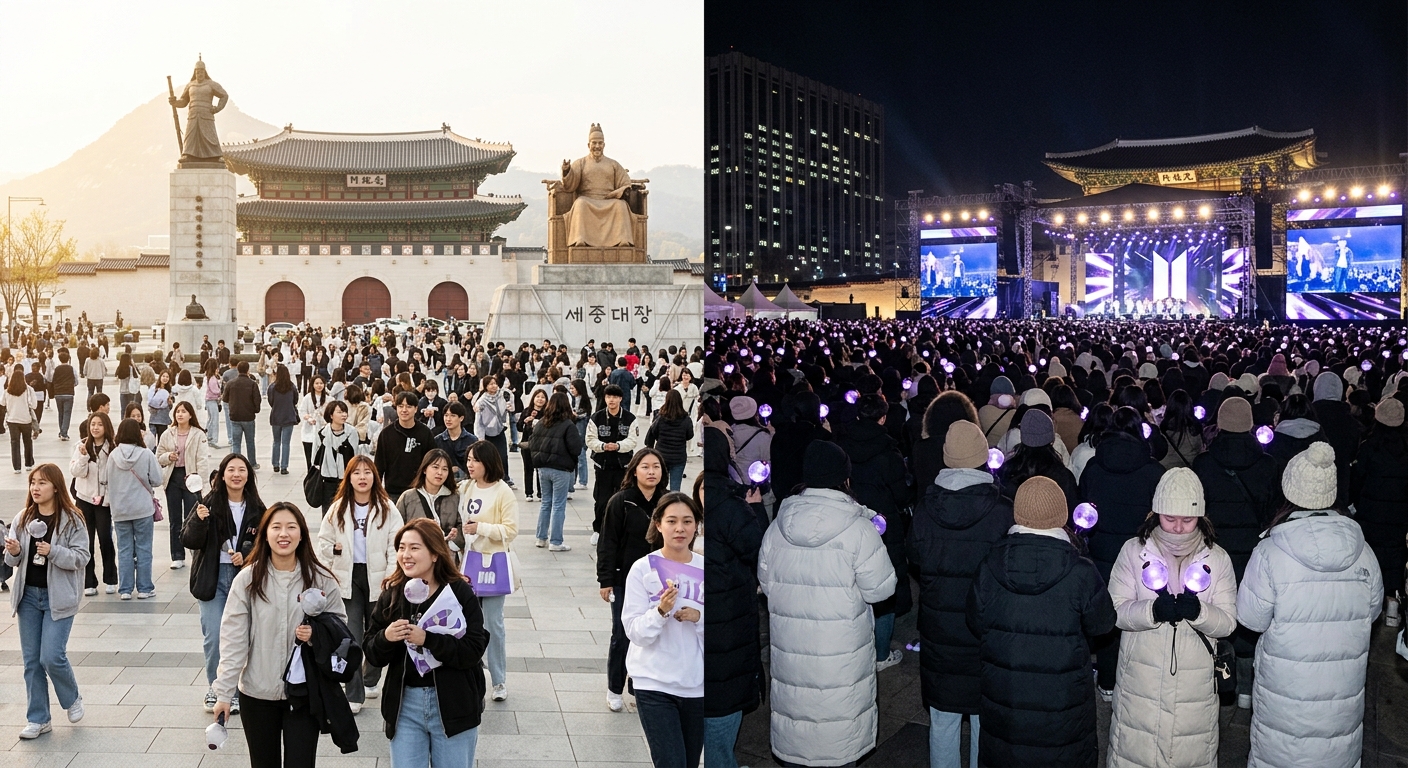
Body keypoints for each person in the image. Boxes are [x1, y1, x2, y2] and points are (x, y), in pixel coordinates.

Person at [1237, 442, 1383, 768]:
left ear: (1289, 491)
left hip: (1286, 692)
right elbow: (1371, 613)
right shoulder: (1364, 552)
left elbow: (1250, 618)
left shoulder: (1270, 552)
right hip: (1341, 693)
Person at [758, 441, 897, 767]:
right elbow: (881, 589)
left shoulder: (778, 526)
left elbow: (766, 583)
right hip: (841, 656)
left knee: (799, 727)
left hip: (792, 651)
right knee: (837, 736)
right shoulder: (858, 529)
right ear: (844, 479)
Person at [967, 476, 1117, 767]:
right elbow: (1103, 624)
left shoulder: (990, 565)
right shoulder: (1080, 571)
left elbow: (975, 621)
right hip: (1062, 701)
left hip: (1006, 693)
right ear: (1061, 515)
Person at [1106, 468, 1238, 768]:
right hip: (1142, 683)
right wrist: (1151, 611)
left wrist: (1199, 612)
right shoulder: (1133, 552)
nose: (1178, 528)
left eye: (1187, 519)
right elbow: (1115, 611)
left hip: (1195, 688)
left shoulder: (1217, 558)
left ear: (1200, 517)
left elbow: (1228, 621)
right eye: (1170, 518)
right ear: (1156, 514)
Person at [909, 421, 1014, 768]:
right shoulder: (1002, 510)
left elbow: (914, 556)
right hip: (986, 630)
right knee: (985, 718)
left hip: (940, 629)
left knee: (943, 718)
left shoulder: (926, 509)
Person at [212, 502, 345, 765]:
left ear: (302, 534)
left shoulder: (321, 579)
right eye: (276, 527)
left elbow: (340, 628)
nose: (284, 534)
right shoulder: (247, 580)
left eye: (291, 527)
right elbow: (233, 639)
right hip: (257, 693)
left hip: (304, 694)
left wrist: (316, 634)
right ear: (265, 534)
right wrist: (224, 694)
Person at [364, 517, 489, 768]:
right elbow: (372, 653)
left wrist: (428, 640)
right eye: (401, 548)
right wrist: (386, 637)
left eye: (414, 548)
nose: (405, 555)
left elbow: (474, 649)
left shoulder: (459, 592)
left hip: (454, 705)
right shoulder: (393, 594)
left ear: (434, 554)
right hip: (405, 706)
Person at [1079, 406, 1166, 698]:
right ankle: (1138, 686)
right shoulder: (1154, 471)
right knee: (1140, 617)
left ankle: (1107, 681)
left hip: (1101, 553)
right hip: (1141, 556)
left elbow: (1083, 505)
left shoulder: (1093, 467)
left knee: (1108, 619)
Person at [4, 464, 91, 740]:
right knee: (32, 661)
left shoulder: (72, 520)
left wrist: (53, 551)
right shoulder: (23, 518)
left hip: (59, 597)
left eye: (42, 483)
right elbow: (12, 561)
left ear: (55, 487)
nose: (35, 488)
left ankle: (72, 697)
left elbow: (82, 557)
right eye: (33, 482)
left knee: (52, 656)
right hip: (28, 597)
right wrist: (14, 551)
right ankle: (38, 719)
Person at [622, 492, 705, 768]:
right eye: (672, 521)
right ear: (658, 524)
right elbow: (634, 631)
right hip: (653, 682)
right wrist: (660, 612)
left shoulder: (706, 569)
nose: (680, 528)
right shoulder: (642, 569)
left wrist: (699, 617)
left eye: (687, 521)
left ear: (696, 525)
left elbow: (723, 633)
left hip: (696, 684)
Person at [316, 455, 404, 712]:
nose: (362, 477)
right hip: (348, 577)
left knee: (377, 633)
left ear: (375, 477)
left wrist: (391, 575)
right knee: (351, 635)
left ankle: (370, 678)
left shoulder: (387, 508)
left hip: (379, 577)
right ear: (349, 478)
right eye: (356, 473)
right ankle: (354, 694)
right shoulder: (338, 508)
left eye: (367, 472)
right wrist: (333, 552)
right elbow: (323, 542)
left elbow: (396, 545)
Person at [701, 431, 764, 768]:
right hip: (728, 617)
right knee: (722, 702)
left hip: (703, 615)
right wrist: (756, 510)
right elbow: (758, 551)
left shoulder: (694, 501)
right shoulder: (729, 505)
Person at [184, 453, 263, 714]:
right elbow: (188, 539)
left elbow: (266, 544)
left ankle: (238, 689)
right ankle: (217, 689)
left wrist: (247, 554)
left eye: (242, 470)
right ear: (222, 474)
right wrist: (199, 520)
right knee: (215, 636)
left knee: (243, 636)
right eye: (231, 469)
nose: (236, 474)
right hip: (212, 577)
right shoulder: (208, 503)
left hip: (244, 580)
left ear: (248, 475)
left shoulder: (257, 508)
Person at [836, 393, 911, 671]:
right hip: (883, 521)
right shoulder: (888, 450)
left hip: (851, 516)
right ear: (882, 418)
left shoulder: (842, 445)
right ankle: (881, 651)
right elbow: (900, 492)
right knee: (883, 584)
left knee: (854, 578)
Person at [597, 447, 667, 711]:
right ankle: (614, 688)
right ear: (634, 471)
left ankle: (639, 688)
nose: (651, 472)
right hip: (624, 579)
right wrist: (605, 580)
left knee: (653, 634)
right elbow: (608, 542)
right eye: (645, 467)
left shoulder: (666, 501)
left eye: (656, 467)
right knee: (622, 634)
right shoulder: (621, 501)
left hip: (660, 580)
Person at [459, 440, 518, 701]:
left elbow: (511, 530)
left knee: (493, 623)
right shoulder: (467, 487)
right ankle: (471, 674)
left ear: (488, 462)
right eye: (468, 459)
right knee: (467, 621)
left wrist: (480, 528)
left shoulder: (503, 491)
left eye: (475, 460)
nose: (470, 464)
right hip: (467, 563)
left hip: (492, 564)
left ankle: (499, 679)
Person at [1352, 397, 1408, 625]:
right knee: (1395, 554)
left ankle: (1370, 604)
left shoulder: (1369, 447)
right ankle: (1393, 601)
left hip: (1370, 512)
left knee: (1371, 556)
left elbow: (1357, 480)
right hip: (1400, 514)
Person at [106, 418, 162, 600]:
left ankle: (125, 589)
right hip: (142, 509)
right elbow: (157, 479)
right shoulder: (146, 454)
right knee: (144, 548)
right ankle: (145, 588)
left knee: (124, 550)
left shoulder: (113, 456)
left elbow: (106, 480)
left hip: (120, 510)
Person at [527, 392, 584, 551]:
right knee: (558, 505)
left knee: (546, 503)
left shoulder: (541, 423)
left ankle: (541, 537)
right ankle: (556, 541)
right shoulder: (568, 425)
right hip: (561, 469)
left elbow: (533, 443)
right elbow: (576, 448)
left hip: (543, 468)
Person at [155, 402, 208, 571]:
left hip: (191, 477)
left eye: (184, 411)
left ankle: (195, 551)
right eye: (178, 411)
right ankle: (177, 555)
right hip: (173, 478)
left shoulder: (198, 434)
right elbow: (158, 456)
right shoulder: (168, 433)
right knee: (175, 519)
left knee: (192, 517)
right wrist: (168, 457)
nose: (180, 414)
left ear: (190, 414)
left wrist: (201, 482)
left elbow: (202, 460)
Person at [71, 412, 116, 596]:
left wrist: (108, 497)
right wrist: (83, 457)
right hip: (84, 499)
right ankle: (89, 581)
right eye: (93, 424)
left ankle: (111, 578)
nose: (95, 428)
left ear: (106, 427)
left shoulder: (113, 447)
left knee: (105, 538)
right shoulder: (81, 446)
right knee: (86, 540)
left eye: (99, 424)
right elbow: (76, 472)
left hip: (104, 500)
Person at [395, 449, 465, 557]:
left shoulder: (455, 497)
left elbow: (462, 524)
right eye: (435, 467)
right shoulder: (408, 497)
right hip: (415, 557)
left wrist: (453, 541)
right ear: (424, 469)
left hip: (446, 556)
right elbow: (397, 528)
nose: (440, 472)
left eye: (445, 469)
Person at [375, 391, 436, 500]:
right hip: (392, 492)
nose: (404, 410)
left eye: (409, 406)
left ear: (416, 409)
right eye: (400, 406)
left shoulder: (425, 433)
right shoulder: (386, 433)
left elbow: (432, 462)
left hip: (418, 491)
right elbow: (379, 466)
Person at [314, 400, 360, 513]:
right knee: (328, 513)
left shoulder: (352, 432)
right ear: (331, 415)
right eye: (339, 412)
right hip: (327, 480)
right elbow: (314, 458)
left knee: (346, 511)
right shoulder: (322, 433)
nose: (344, 415)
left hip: (346, 479)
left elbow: (355, 456)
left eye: (345, 412)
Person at [646, 390, 694, 492]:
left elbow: (654, 432)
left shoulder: (660, 417)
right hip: (679, 457)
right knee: (675, 487)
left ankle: (660, 501)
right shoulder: (686, 419)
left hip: (661, 456)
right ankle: (674, 501)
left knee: (659, 486)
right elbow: (690, 435)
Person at [472, 375, 515, 488]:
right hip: (486, 433)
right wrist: (480, 437)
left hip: (500, 430)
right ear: (486, 386)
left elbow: (511, 402)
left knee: (503, 456)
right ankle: (489, 477)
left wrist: (509, 405)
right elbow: (478, 421)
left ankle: (505, 477)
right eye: (490, 384)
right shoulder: (481, 401)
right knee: (488, 457)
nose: (494, 386)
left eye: (495, 383)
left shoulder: (502, 395)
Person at [223, 361, 260, 465]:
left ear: (238, 370)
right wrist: (255, 410)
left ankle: (236, 463)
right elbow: (257, 400)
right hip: (248, 417)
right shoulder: (252, 384)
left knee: (236, 443)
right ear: (248, 370)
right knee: (250, 442)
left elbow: (225, 399)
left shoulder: (230, 383)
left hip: (235, 416)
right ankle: (252, 463)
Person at [266, 364, 299, 476]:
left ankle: (275, 464)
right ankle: (284, 466)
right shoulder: (292, 387)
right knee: (286, 443)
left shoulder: (272, 387)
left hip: (276, 416)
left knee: (276, 441)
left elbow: (271, 401)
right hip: (289, 416)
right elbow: (295, 400)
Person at [517, 388, 548, 501]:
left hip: (541, 445)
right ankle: (529, 493)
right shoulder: (527, 411)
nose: (540, 399)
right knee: (528, 468)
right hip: (527, 444)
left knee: (540, 469)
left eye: (543, 397)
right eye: (538, 397)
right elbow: (519, 427)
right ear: (533, 398)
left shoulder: (547, 412)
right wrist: (525, 421)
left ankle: (541, 493)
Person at [433, 401, 476, 483]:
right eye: (446, 415)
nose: (448, 419)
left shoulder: (472, 440)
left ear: (461, 418)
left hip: (467, 482)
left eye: (453, 415)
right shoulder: (437, 440)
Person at [5, 366, 37, 473]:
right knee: (27, 441)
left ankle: (17, 467)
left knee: (14, 443)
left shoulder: (7, 391)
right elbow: (34, 405)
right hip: (25, 420)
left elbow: (2, 403)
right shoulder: (29, 390)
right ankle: (28, 464)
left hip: (12, 420)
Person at [298, 374, 330, 471]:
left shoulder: (329, 398)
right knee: (309, 456)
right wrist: (308, 418)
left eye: (321, 383)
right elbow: (302, 411)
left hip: (324, 430)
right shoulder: (307, 398)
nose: (319, 385)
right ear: (312, 384)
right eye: (317, 383)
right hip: (309, 431)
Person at [51, 348, 76, 441]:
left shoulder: (56, 369)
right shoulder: (71, 369)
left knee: (60, 413)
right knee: (67, 413)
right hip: (69, 393)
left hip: (58, 393)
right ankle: (64, 433)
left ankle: (61, 430)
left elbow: (53, 380)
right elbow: (76, 381)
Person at [202, 358, 223, 448]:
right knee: (214, 420)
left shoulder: (208, 377)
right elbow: (215, 390)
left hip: (209, 400)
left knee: (211, 419)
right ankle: (213, 439)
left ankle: (209, 436)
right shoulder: (212, 378)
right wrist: (220, 392)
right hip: (212, 400)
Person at [147, 369, 173, 438]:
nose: (165, 378)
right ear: (160, 377)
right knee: (152, 440)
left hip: (163, 419)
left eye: (167, 377)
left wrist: (169, 403)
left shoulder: (170, 390)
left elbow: (170, 408)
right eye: (163, 376)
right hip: (153, 418)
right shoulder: (154, 388)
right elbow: (149, 401)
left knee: (161, 440)